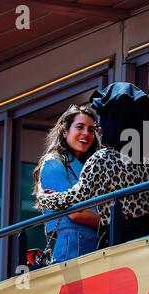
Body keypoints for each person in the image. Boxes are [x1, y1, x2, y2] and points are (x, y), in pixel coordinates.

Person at [36, 82, 149, 250]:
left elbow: (75, 202)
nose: (91, 132)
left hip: (117, 243)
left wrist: (44, 197)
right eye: (80, 127)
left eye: (94, 127)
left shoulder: (103, 158)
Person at [33, 104, 101, 263]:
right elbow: (76, 212)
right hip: (73, 245)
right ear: (64, 131)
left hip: (95, 244)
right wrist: (112, 219)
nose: (86, 133)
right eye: (80, 127)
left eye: (91, 129)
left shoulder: (88, 165)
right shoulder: (53, 162)